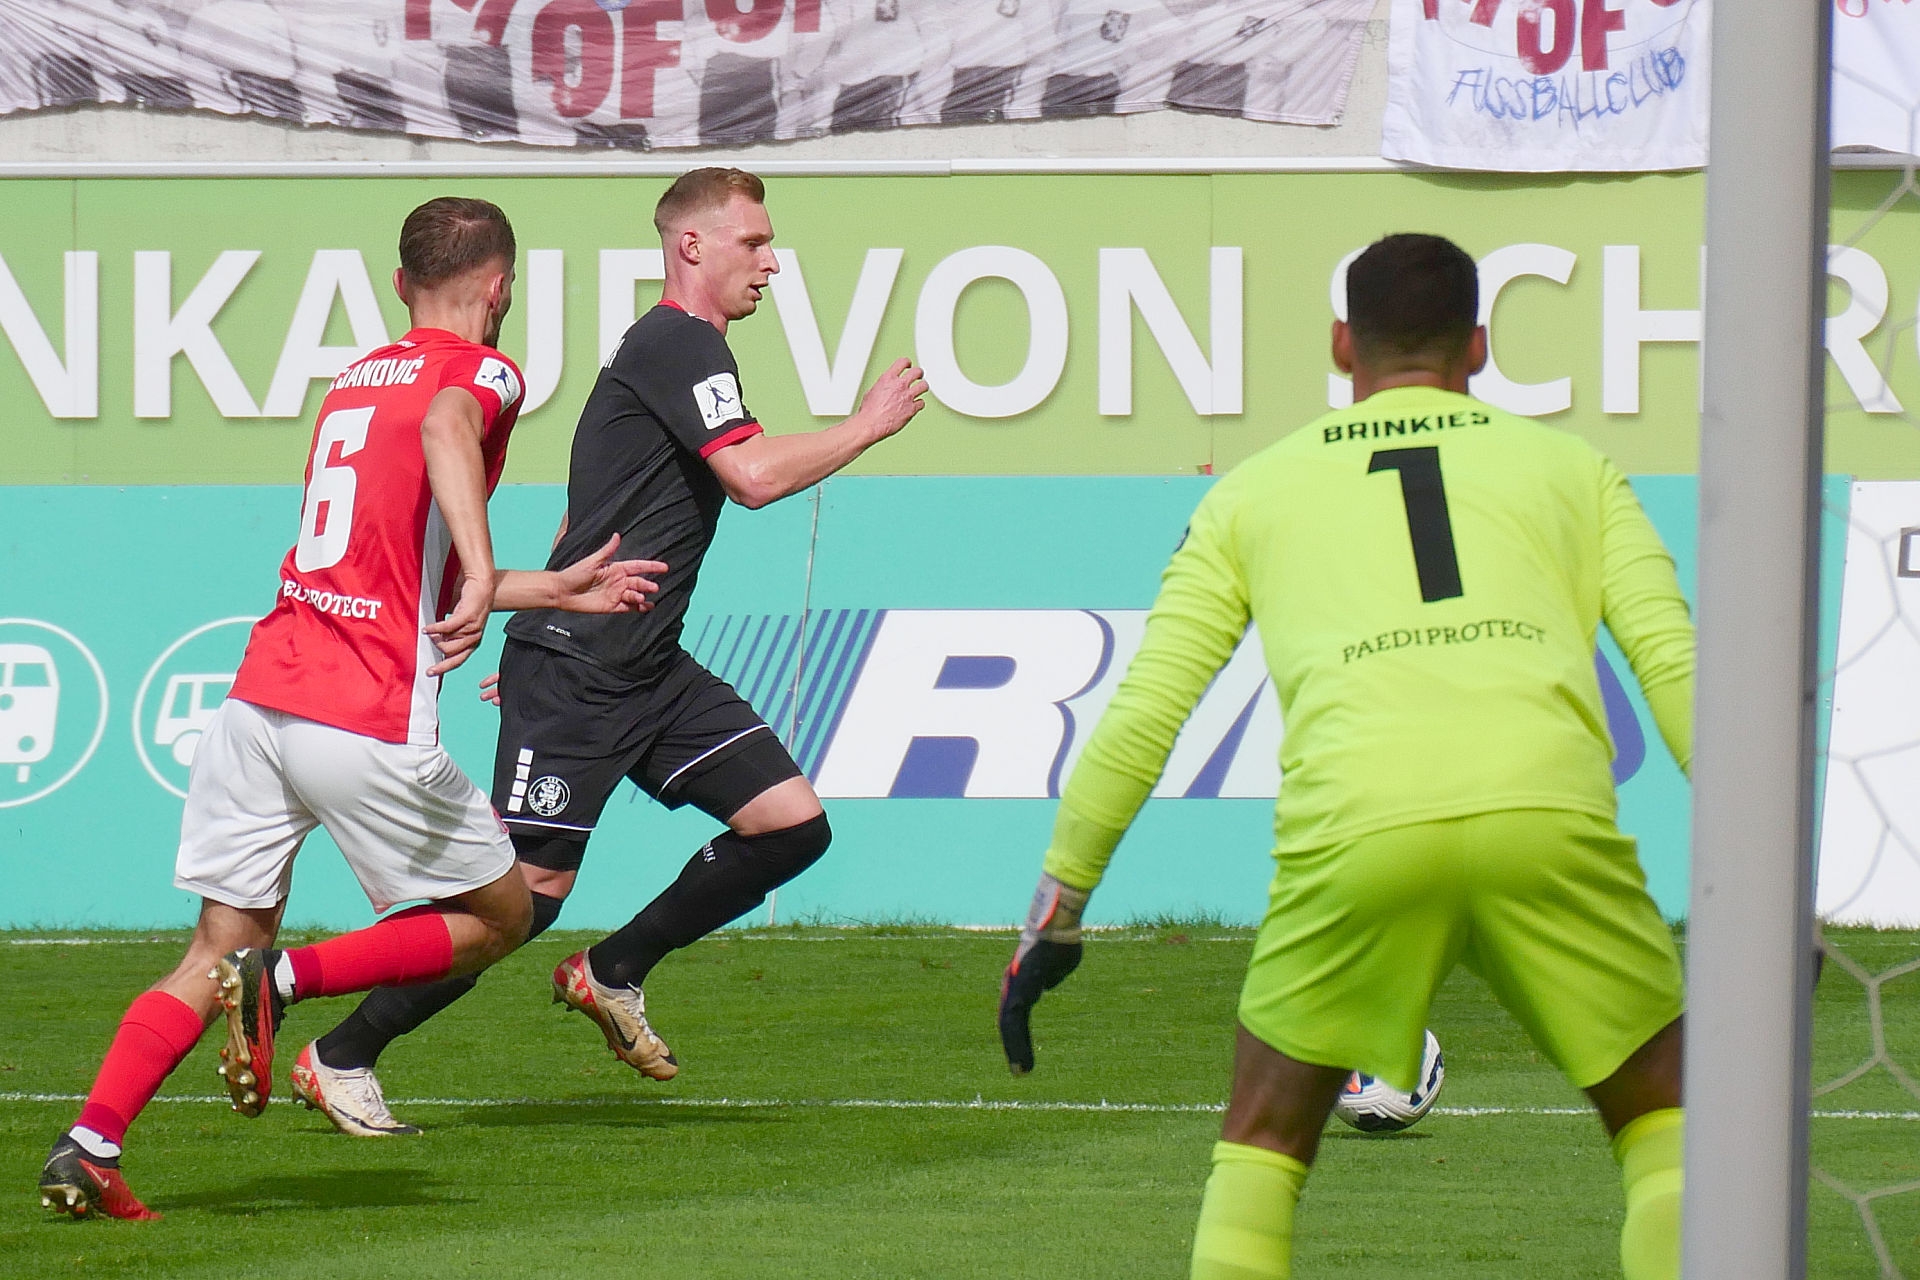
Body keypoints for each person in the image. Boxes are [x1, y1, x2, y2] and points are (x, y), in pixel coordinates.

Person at [998, 233, 1693, 1280]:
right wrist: (1778, 885)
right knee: (1669, 1125)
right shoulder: (1577, 471)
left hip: (1356, 830)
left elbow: (1146, 712)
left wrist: (1058, 906)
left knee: (1261, 1146)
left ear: (1339, 345)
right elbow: (1680, 671)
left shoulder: (1252, 492)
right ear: (1478, 346)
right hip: (1545, 816)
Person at [38, 196, 666, 1220]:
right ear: (499, 286)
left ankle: (89, 1144)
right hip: (363, 710)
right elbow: (449, 428)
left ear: (399, 282)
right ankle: (284, 981)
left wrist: (545, 587)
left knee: (211, 950)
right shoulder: (485, 371)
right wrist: (479, 572)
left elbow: (390, 566)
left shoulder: (354, 381)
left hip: (260, 704)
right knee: (503, 914)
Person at [292, 166, 928, 1138]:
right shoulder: (676, 341)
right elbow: (751, 477)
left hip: (645, 663)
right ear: (692, 246)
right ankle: (341, 1051)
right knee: (520, 903)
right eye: (754, 241)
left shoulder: (677, 352)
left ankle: (614, 968)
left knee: (791, 826)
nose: (770, 261)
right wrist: (867, 425)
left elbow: (585, 512)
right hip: (584, 672)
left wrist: (535, 630)